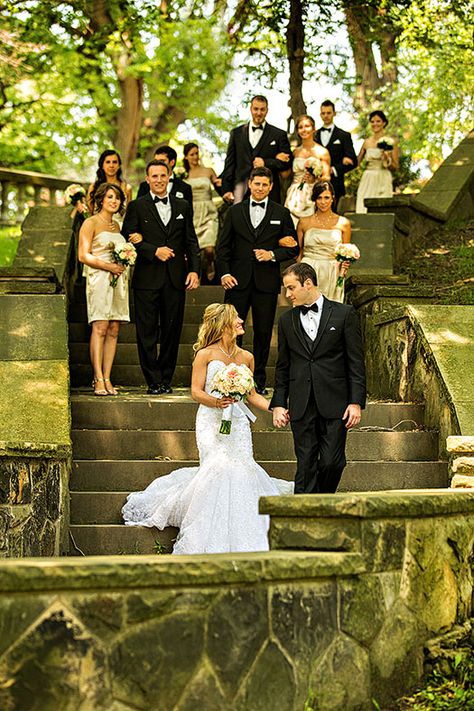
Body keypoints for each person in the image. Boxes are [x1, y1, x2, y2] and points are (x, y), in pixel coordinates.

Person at [122, 303, 293, 553]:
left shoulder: (247, 358)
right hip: (211, 421)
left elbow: (252, 395)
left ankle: (243, 527)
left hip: (238, 423)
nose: (241, 322)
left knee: (241, 467)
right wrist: (216, 401)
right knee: (217, 468)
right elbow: (195, 391)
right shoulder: (205, 354)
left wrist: (276, 408)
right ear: (224, 324)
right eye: (236, 319)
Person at [271, 262, 366, 494]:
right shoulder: (286, 321)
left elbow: (356, 362)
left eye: (291, 288)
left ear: (308, 283)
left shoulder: (344, 314)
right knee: (305, 464)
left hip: (336, 402)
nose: (288, 294)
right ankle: (304, 518)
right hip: (301, 402)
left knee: (332, 463)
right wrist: (279, 404)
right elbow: (283, 366)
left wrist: (355, 402)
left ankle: (322, 504)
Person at [216, 167, 299, 394]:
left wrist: (272, 254)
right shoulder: (234, 212)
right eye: (257, 183)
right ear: (250, 184)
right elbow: (222, 248)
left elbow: (294, 248)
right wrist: (224, 273)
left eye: (265, 184)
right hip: (237, 281)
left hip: (266, 283)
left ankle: (258, 381)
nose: (260, 188)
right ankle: (230, 379)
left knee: (263, 333)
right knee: (231, 330)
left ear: (271, 187)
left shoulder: (281, 213)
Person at [122, 159, 200, 394]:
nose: (158, 180)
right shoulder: (137, 206)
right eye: (153, 176)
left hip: (175, 279)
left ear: (169, 177)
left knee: (171, 331)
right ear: (147, 179)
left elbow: (190, 240)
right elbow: (128, 235)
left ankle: (166, 379)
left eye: (162, 175)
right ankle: (152, 380)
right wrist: (153, 250)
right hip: (147, 278)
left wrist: (195, 270)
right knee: (146, 331)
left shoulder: (183, 205)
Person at [78, 183, 129, 396]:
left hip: (118, 280)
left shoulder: (117, 227)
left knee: (114, 328)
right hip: (99, 279)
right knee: (100, 327)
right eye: (110, 197)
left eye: (117, 198)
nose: (114, 201)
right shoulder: (90, 223)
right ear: (101, 200)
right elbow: (83, 255)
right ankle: (97, 378)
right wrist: (109, 266)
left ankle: (108, 377)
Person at [220, 95, 292, 204]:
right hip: (240, 191)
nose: (259, 113)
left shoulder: (278, 135)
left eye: (262, 109)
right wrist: (226, 189)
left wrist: (266, 162)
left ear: (267, 110)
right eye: (256, 109)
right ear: (251, 109)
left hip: (269, 193)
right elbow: (230, 163)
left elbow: (288, 163)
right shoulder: (237, 133)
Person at [297, 180, 352, 303]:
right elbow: (298, 252)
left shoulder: (343, 223)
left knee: (331, 310)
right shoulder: (304, 222)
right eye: (319, 198)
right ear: (314, 200)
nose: (323, 202)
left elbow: (346, 253)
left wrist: (343, 269)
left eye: (326, 197)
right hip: (308, 270)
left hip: (332, 271)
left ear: (332, 198)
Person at [183, 142, 221, 282]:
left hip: (208, 211)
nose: (195, 157)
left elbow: (219, 187)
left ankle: (210, 263)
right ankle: (195, 273)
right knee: (194, 248)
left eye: (196, 153)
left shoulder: (208, 170)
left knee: (209, 248)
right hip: (192, 212)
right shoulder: (184, 174)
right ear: (186, 157)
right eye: (192, 154)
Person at [284, 114, 331, 225]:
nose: (304, 130)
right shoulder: (295, 152)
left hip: (313, 194)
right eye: (300, 127)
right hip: (295, 195)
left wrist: (315, 179)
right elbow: (286, 174)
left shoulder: (322, 151)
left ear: (313, 129)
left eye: (307, 126)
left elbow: (327, 178)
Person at [315, 100, 358, 208]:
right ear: (320, 114)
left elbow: (353, 161)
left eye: (328, 113)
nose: (326, 116)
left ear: (334, 113)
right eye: (323, 113)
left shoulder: (343, 135)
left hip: (336, 185)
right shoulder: (314, 136)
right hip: (315, 184)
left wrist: (333, 170)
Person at [356, 110, 399, 213]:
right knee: (363, 208)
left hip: (383, 177)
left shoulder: (391, 142)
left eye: (378, 121)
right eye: (372, 121)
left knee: (382, 208)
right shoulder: (366, 142)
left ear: (384, 123)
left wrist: (386, 159)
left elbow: (395, 167)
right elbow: (357, 162)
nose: (375, 124)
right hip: (368, 178)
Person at [136, 145, 193, 214]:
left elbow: (188, 217)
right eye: (156, 161)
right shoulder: (144, 186)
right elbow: (138, 211)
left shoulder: (185, 188)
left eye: (162, 161)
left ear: (172, 162)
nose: (158, 164)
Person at [86, 149, 132, 215]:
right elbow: (89, 214)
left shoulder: (127, 188)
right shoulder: (93, 187)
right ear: (102, 165)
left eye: (115, 162)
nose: (111, 165)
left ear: (119, 165)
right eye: (108, 162)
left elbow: (129, 215)